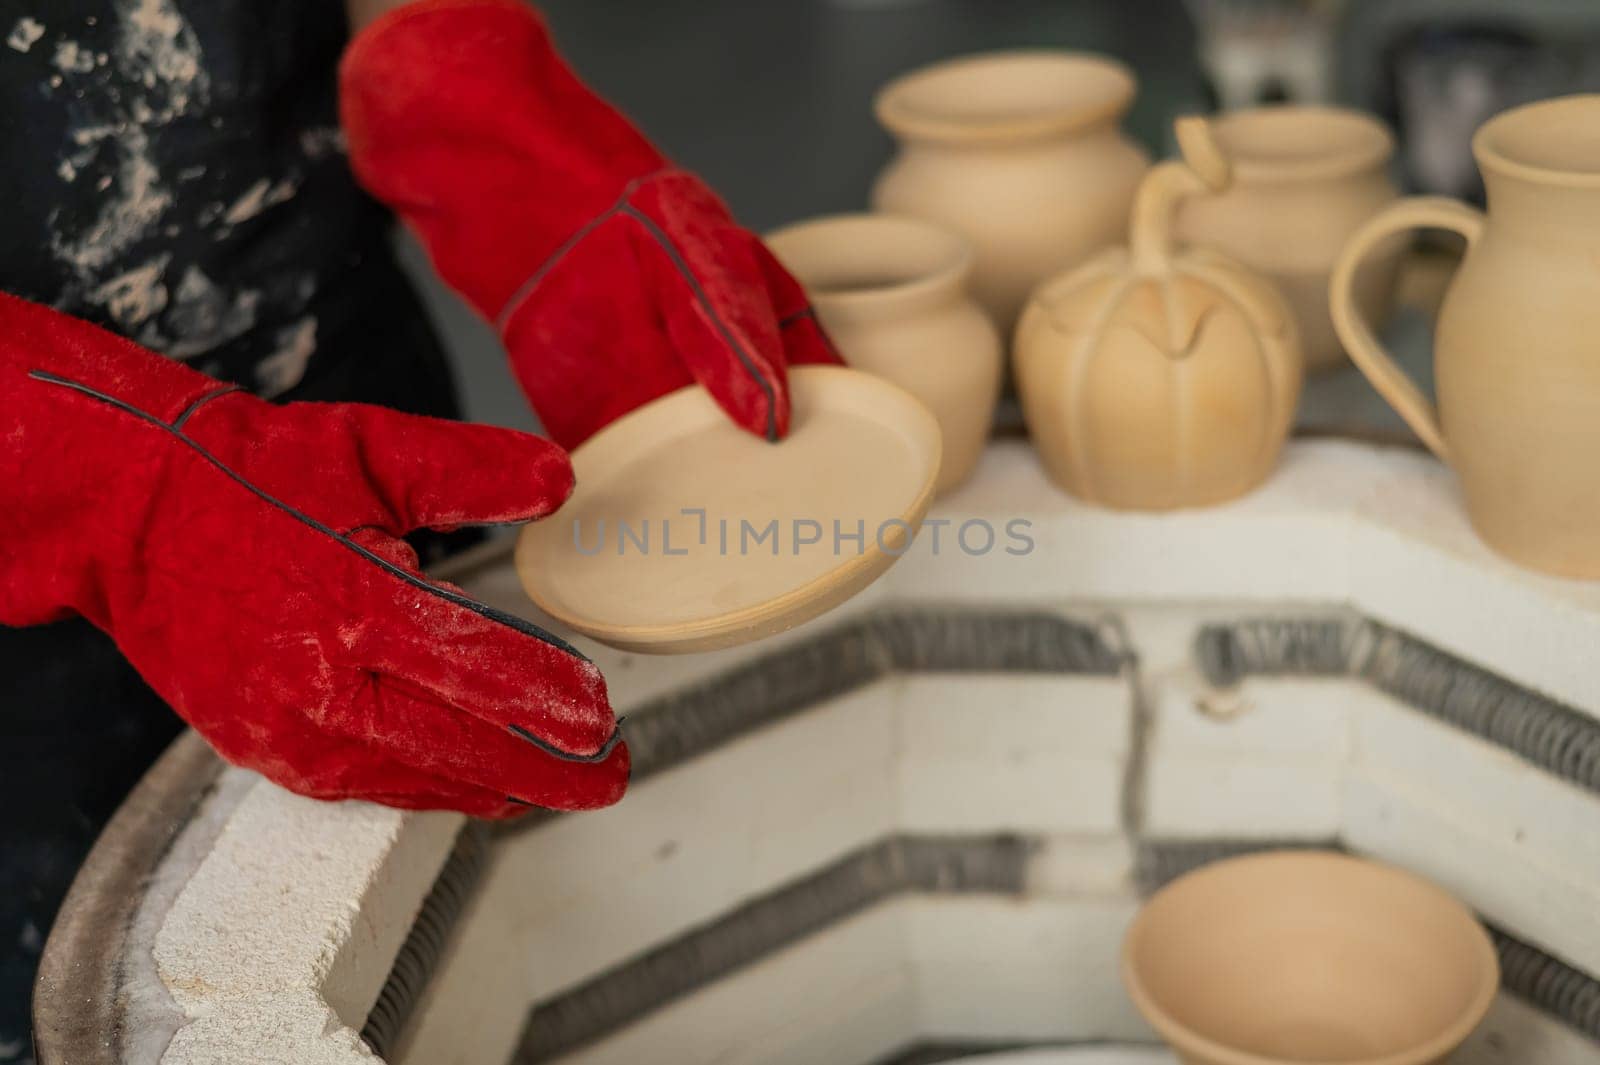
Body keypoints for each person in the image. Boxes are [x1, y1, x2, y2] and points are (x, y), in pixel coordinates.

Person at [0, 0, 838, 1058]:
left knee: (459, 919)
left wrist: (469, 96)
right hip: (30, 601)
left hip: (340, 429)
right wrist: (103, 492)